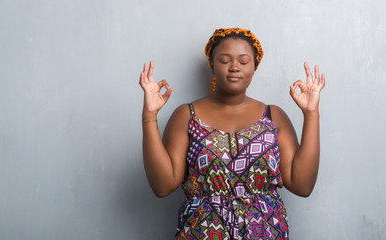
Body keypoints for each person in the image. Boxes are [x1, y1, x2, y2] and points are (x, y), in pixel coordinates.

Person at [139, 28, 325, 240]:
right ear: (212, 65)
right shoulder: (187, 116)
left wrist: (311, 114)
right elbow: (162, 187)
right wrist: (149, 115)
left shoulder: (273, 117)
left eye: (244, 61)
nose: (234, 67)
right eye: (225, 60)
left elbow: (302, 185)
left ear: (254, 67)